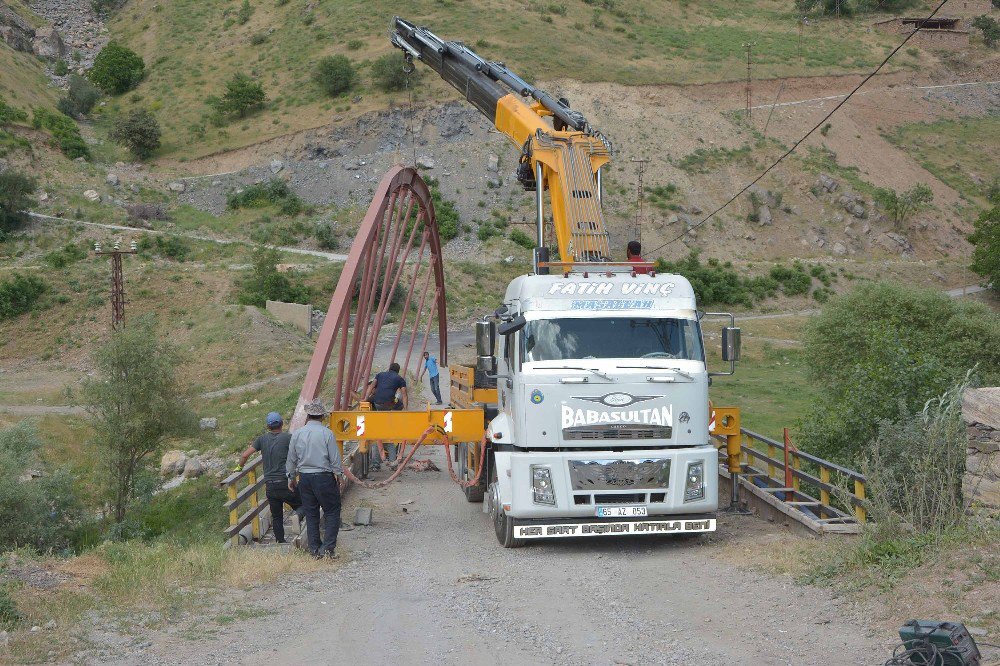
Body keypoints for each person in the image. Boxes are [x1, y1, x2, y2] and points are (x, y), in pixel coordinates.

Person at [286, 401, 342, 559]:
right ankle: (328, 549)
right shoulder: (327, 433)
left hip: (305, 477)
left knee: (311, 514)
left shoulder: (297, 434)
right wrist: (339, 475)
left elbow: (291, 458)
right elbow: (335, 458)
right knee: (332, 511)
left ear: (308, 416)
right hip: (323, 477)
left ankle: (314, 550)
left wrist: (291, 477)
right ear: (322, 416)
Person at [237, 412, 303, 544]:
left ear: (268, 426)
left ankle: (280, 541)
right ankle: (297, 516)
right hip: (285, 483)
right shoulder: (288, 438)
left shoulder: (261, 440)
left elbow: (245, 455)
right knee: (303, 504)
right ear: (282, 423)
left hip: (270, 485)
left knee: (277, 516)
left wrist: (239, 468)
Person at [364, 363, 408, 471]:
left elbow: (371, 386)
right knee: (389, 435)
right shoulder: (399, 378)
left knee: (379, 435)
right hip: (389, 406)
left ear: (389, 369)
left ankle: (376, 464)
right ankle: (393, 463)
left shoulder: (379, 375)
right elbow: (404, 394)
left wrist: (365, 399)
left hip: (378, 404)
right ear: (398, 371)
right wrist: (406, 411)